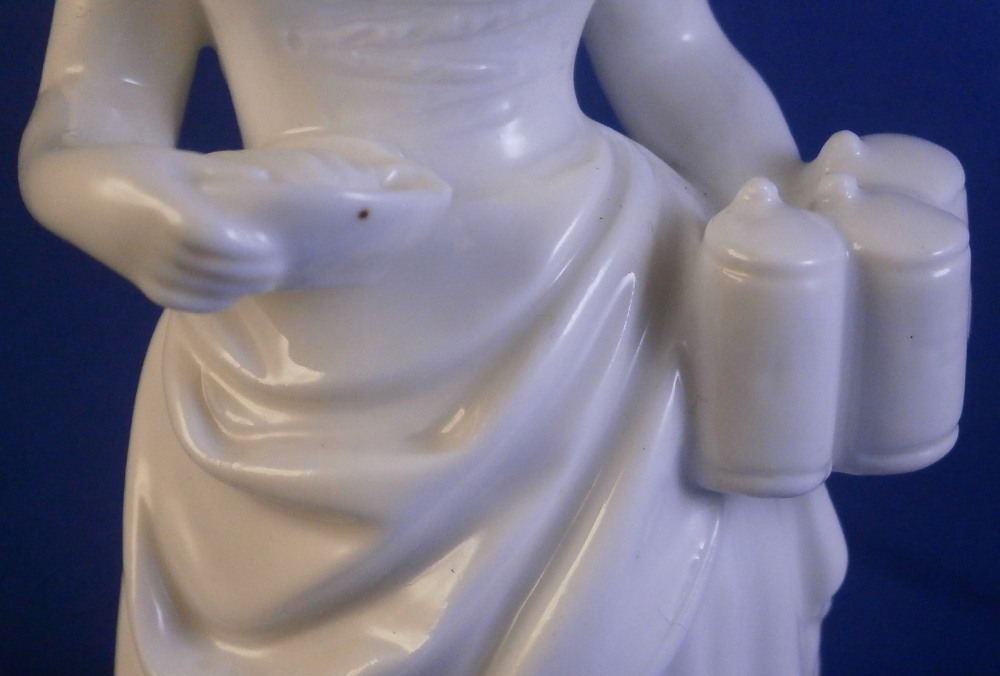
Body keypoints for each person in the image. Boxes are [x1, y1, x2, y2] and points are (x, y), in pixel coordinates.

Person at [19, 1, 965, 674]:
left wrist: (780, 187)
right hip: (290, 332)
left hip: (608, 315)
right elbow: (84, 113)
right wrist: (135, 210)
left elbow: (678, 54)